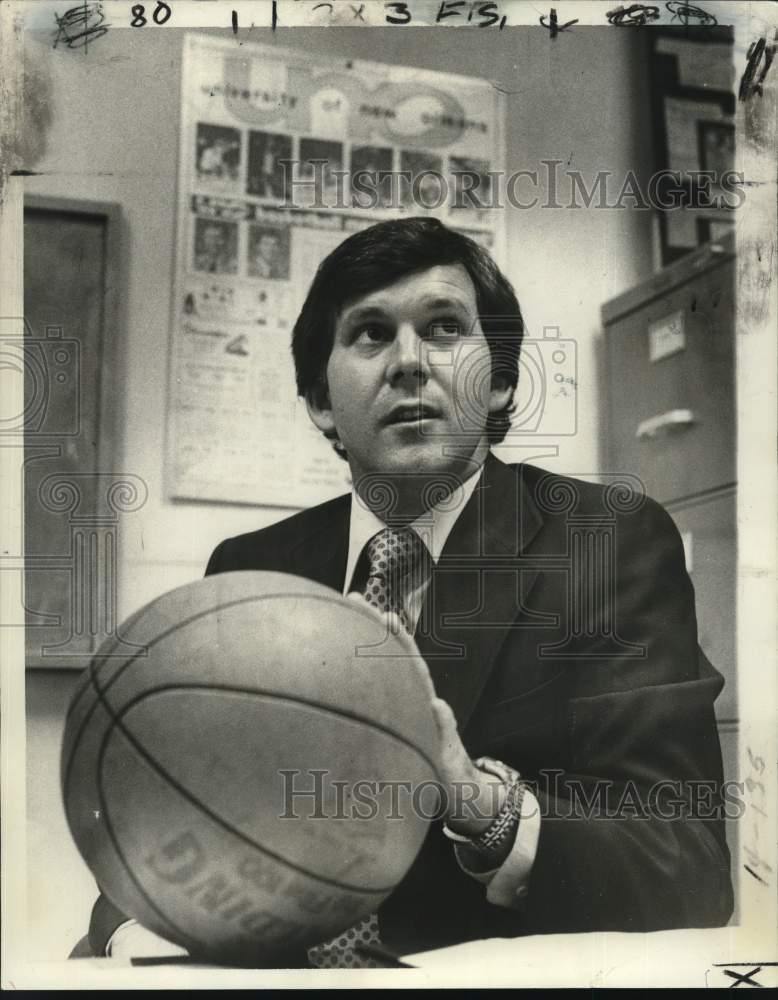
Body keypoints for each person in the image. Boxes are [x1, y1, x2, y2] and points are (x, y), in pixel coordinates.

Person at [86, 217, 733, 964]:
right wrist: (139, 932)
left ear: (498, 382)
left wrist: (482, 807)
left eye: (445, 328)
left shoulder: (608, 543)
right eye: (368, 333)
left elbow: (688, 867)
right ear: (321, 401)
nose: (408, 362)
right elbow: (167, 824)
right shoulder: (250, 569)